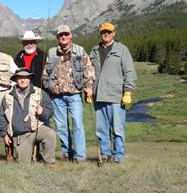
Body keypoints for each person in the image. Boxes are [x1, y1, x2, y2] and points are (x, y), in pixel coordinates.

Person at [43, 24, 95, 163]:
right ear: (57, 37)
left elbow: (88, 70)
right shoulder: (52, 52)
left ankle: (80, 157)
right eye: (61, 35)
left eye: (66, 34)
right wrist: (49, 87)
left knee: (77, 124)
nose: (64, 37)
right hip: (57, 97)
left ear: (71, 35)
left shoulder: (80, 51)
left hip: (74, 95)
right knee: (61, 127)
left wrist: (88, 86)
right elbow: (45, 74)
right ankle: (67, 154)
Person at [90, 21, 137, 163]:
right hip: (98, 96)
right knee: (101, 130)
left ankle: (118, 157)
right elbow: (89, 72)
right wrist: (88, 90)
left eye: (108, 32)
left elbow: (129, 71)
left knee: (118, 129)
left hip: (116, 96)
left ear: (114, 33)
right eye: (103, 31)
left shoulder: (122, 49)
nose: (106, 34)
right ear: (100, 33)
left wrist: (128, 91)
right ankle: (105, 156)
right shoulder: (94, 51)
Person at [0, 68, 56, 165]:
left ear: (30, 79)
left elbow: (50, 111)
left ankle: (49, 162)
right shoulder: (7, 96)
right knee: (24, 165)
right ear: (16, 79)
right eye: (20, 77)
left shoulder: (39, 92)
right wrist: (4, 134)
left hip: (36, 129)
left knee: (50, 133)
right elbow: (1, 117)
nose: (23, 80)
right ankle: (34, 156)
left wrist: (43, 111)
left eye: (25, 77)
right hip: (20, 134)